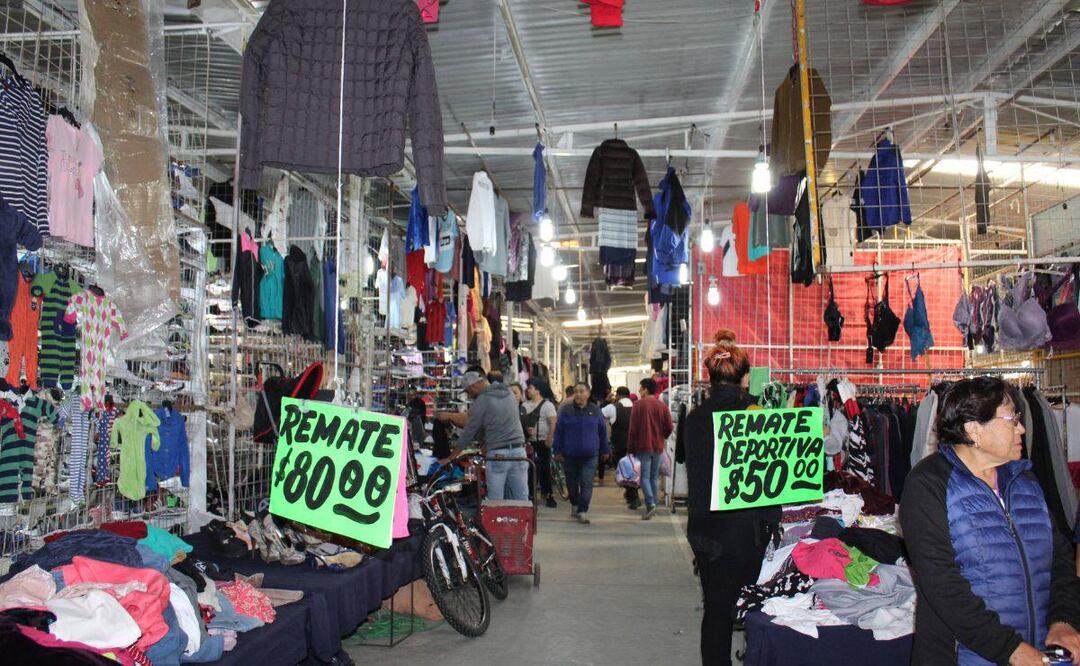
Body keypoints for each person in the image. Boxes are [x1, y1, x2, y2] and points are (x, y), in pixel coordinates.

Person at [900, 377, 1080, 666]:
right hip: (965, 656)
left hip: (1039, 653)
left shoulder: (1025, 480)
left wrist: (1063, 619)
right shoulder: (929, 485)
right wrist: (1011, 650)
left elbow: (1059, 559)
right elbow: (943, 585)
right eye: (1011, 418)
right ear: (974, 429)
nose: (1021, 428)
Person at [683, 330, 779, 666]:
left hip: (703, 529)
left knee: (717, 609)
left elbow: (688, 462)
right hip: (743, 530)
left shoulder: (694, 419)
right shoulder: (756, 415)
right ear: (745, 378)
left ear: (709, 377)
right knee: (756, 605)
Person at [436, 368, 528, 501]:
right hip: (519, 453)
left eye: (468, 391)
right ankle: (522, 522)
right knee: (521, 499)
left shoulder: (483, 400)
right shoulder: (508, 392)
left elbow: (469, 431)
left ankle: (497, 522)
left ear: (474, 386)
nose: (468, 396)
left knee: (495, 503)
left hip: (498, 455)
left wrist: (451, 458)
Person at [552, 382, 609, 525]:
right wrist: (557, 450)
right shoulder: (566, 411)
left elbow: (602, 432)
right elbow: (558, 432)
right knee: (571, 484)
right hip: (569, 455)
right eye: (576, 391)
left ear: (588, 394)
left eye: (582, 391)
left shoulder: (596, 411)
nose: (578, 394)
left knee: (586, 482)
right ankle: (575, 503)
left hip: (590, 456)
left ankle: (582, 510)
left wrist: (605, 450)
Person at [628, 378, 673, 519]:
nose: (640, 391)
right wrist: (662, 436)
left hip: (643, 446)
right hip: (658, 446)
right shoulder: (662, 406)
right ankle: (654, 505)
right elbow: (669, 427)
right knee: (654, 477)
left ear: (646, 389)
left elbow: (633, 429)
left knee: (644, 478)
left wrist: (630, 448)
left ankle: (650, 504)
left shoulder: (638, 405)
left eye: (641, 388)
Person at [523, 378, 559, 508]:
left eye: (531, 388)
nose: (528, 390)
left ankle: (548, 494)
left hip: (543, 442)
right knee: (530, 470)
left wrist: (550, 437)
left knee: (545, 469)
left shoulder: (548, 405)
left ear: (538, 390)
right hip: (529, 443)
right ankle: (531, 495)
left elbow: (553, 422)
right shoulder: (525, 405)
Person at [603, 386, 639, 509]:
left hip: (620, 445)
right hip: (637, 444)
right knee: (633, 471)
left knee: (625, 471)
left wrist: (606, 401)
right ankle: (631, 496)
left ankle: (633, 497)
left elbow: (598, 414)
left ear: (617, 396)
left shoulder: (613, 408)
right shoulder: (637, 407)